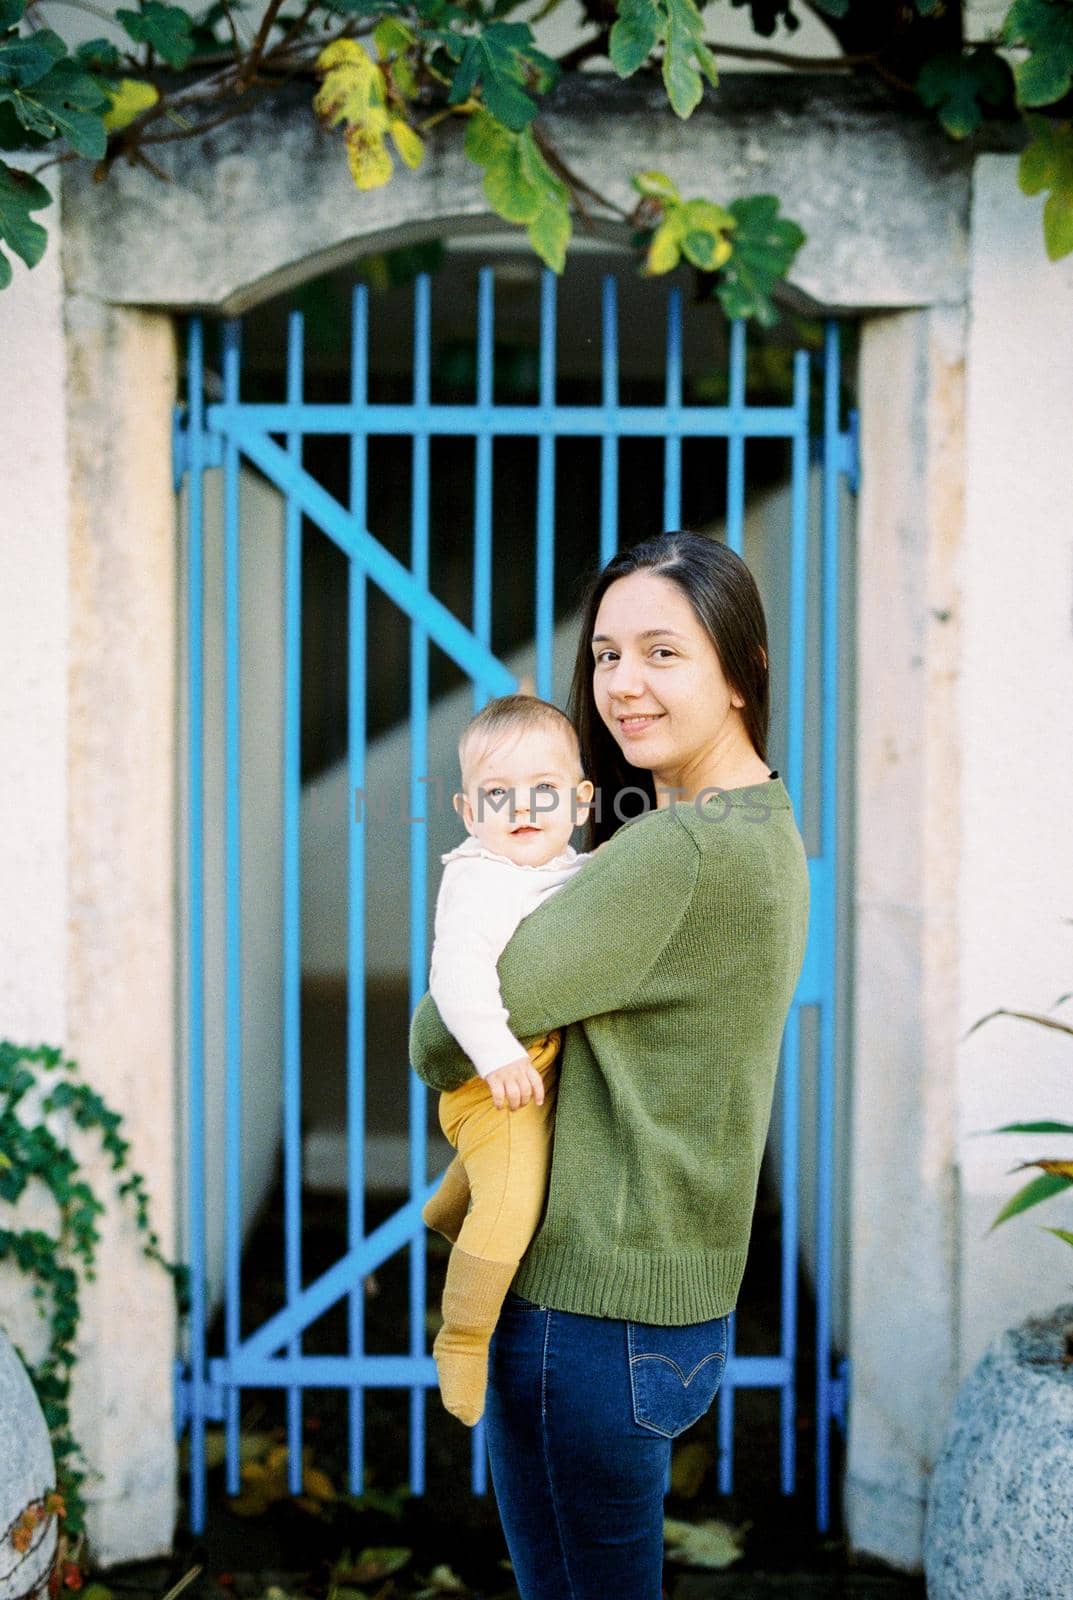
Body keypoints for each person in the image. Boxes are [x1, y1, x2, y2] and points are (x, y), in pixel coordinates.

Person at [409, 532, 811, 1600]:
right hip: (670, 1298)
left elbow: (437, 1038)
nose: (621, 685)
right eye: (602, 655)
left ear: (740, 668)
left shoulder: (673, 852)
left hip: (591, 1310)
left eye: (660, 653)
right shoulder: (760, 825)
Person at [421, 693, 594, 1426]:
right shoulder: (483, 877)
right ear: (468, 811)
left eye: (543, 792)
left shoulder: (561, 864)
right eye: (498, 796)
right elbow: (455, 977)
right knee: (515, 1204)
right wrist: (494, 1057)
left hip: (535, 1067)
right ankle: (461, 1336)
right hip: (492, 1079)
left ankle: (451, 1197)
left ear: (581, 801)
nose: (522, 809)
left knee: (530, 1167)